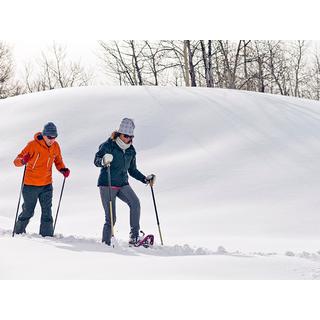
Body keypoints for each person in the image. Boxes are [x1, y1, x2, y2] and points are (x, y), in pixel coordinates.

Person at [94, 118, 155, 246]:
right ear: (119, 133)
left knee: (135, 203)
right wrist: (103, 161)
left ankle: (134, 237)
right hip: (107, 184)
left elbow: (132, 170)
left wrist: (145, 179)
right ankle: (106, 243)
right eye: (125, 135)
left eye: (130, 136)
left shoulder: (131, 150)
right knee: (111, 217)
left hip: (122, 184)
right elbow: (96, 160)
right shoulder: (108, 145)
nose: (127, 138)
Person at [13, 122, 70, 237]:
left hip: (47, 185)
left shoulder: (55, 146)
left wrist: (63, 169)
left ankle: (47, 236)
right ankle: (18, 232)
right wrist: (23, 160)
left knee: (47, 212)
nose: (52, 140)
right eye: (49, 137)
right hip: (30, 185)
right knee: (28, 211)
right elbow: (16, 161)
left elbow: (58, 161)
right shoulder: (32, 145)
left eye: (54, 137)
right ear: (44, 135)